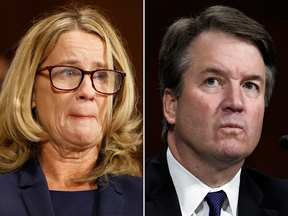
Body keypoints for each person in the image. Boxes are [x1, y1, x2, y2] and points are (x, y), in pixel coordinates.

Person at [0, 4, 142, 216]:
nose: (88, 91)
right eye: (68, 72)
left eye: (101, 75)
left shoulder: (146, 200)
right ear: (30, 91)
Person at [146, 5, 288, 216]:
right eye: (213, 81)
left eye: (250, 85)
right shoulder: (129, 196)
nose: (235, 103)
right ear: (171, 105)